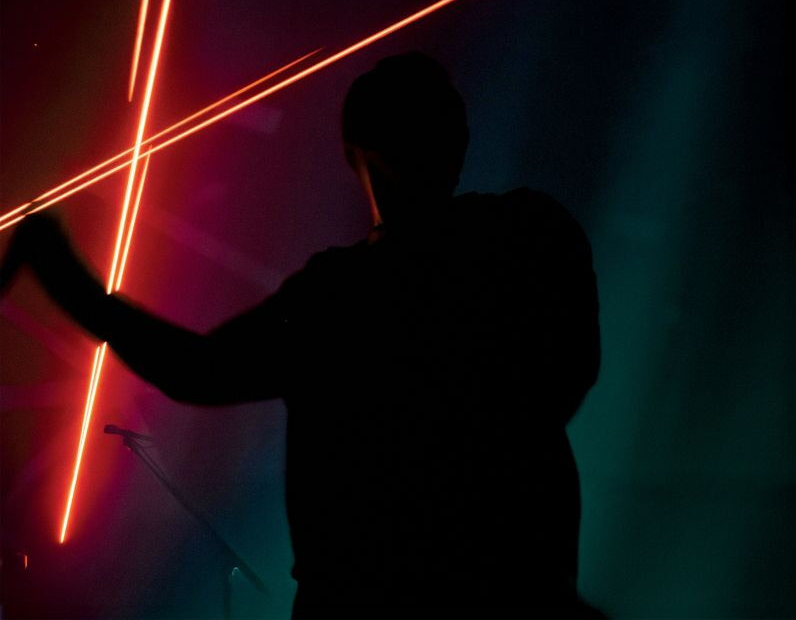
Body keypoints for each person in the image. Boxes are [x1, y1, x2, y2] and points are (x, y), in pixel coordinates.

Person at [1, 52, 602, 619]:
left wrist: (66, 278)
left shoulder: (340, 294)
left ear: (356, 154)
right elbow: (573, 370)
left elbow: (198, 371)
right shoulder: (530, 236)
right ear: (458, 141)